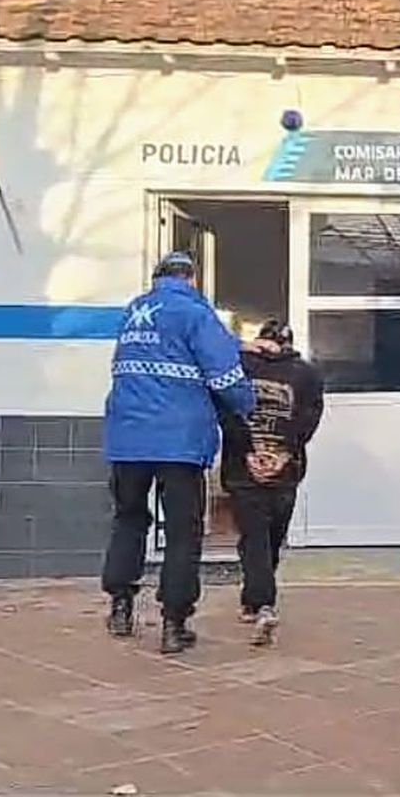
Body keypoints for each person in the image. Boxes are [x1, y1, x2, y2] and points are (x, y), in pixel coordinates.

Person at [100, 251, 255, 655]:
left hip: (127, 437)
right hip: (179, 442)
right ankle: (174, 622)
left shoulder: (133, 313)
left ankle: (120, 605)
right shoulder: (194, 314)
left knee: (129, 519)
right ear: (190, 278)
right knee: (183, 531)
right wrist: (245, 405)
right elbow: (225, 374)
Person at [218, 320, 324, 647]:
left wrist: (249, 452)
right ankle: (262, 601)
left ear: (260, 340)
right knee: (271, 538)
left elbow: (228, 412)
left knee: (255, 537)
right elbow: (309, 419)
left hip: (243, 468)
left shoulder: (239, 366)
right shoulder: (306, 373)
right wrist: (284, 454)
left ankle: (256, 601)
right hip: (285, 470)